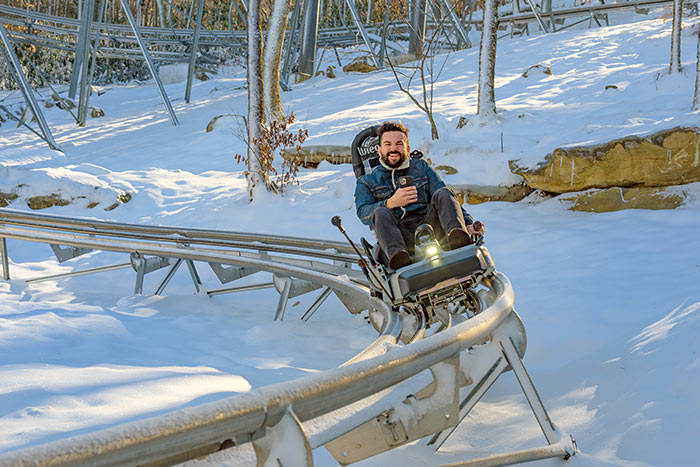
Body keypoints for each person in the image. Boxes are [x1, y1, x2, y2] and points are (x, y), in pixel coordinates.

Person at [354, 121, 484, 270]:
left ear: (407, 148)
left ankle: (458, 240)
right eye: (388, 144)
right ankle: (400, 259)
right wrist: (390, 203)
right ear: (379, 150)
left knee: (443, 192)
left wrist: (467, 223)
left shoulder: (421, 167)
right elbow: (363, 213)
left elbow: (447, 198)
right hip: (400, 236)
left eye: (399, 144)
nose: (393, 149)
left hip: (433, 229)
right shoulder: (366, 181)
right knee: (380, 212)